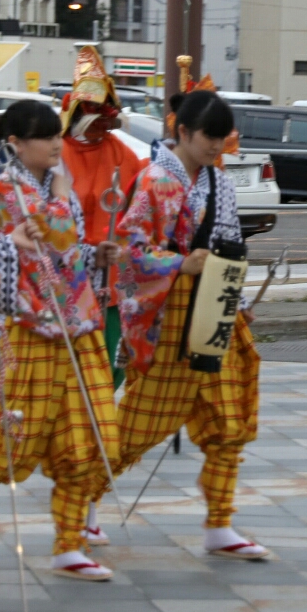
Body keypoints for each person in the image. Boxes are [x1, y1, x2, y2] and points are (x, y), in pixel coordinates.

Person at [108, 89, 268, 561]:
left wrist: (236, 301)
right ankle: (79, 507)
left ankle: (220, 522)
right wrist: (180, 264)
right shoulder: (154, 180)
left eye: (222, 138)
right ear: (182, 132)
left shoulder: (220, 184)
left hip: (214, 306)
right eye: (208, 138)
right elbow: (131, 252)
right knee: (136, 427)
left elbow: (230, 244)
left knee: (230, 418)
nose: (216, 147)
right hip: (172, 310)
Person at [0, 99, 120, 580]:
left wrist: (94, 254)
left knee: (90, 436)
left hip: (76, 324)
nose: (56, 143)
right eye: (45, 136)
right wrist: (61, 196)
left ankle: (69, 542)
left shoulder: (55, 185)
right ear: (14, 142)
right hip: (29, 327)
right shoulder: (3, 188)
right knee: (6, 447)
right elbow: (53, 236)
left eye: (57, 134)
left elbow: (67, 247)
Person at [52, 46, 144, 550]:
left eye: (104, 110)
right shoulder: (56, 155)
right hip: (64, 297)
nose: (98, 119)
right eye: (88, 110)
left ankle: (85, 503)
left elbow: (137, 213)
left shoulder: (123, 156)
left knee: (104, 390)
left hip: (109, 296)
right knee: (60, 400)